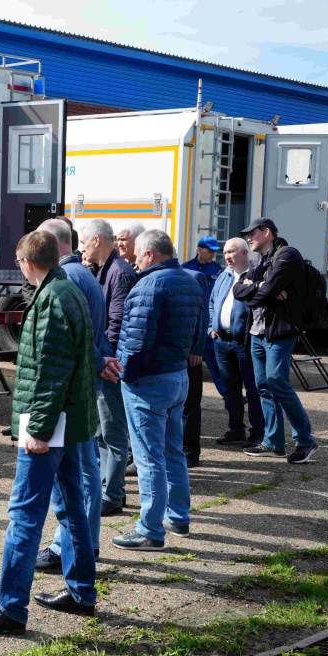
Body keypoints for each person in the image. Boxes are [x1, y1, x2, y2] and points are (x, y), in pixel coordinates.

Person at [0, 230, 98, 636]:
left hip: (50, 425)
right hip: (69, 423)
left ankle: (11, 610)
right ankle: (81, 592)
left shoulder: (54, 298)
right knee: (72, 508)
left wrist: (36, 429)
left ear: (26, 261)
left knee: (24, 516)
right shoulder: (64, 289)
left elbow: (50, 373)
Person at [112, 230, 201, 550]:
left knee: (149, 458)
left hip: (149, 381)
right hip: (178, 376)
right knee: (172, 452)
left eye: (137, 253)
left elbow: (135, 342)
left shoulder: (148, 285)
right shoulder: (190, 280)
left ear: (150, 254)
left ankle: (150, 529)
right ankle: (178, 516)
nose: (133, 258)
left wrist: (125, 376)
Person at [33, 219, 110, 573]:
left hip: (72, 391)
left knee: (75, 476)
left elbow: (66, 346)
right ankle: (83, 544)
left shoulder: (68, 279)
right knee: (84, 469)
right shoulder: (83, 275)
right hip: (82, 384)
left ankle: (71, 546)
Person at [233, 218, 318, 464]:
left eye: (253, 233)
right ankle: (273, 443)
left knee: (276, 381)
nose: (249, 238)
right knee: (263, 387)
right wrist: (259, 287)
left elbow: (262, 291)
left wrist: (258, 289)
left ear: (267, 232)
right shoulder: (261, 261)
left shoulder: (287, 255)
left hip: (279, 333)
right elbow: (240, 291)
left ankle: (306, 440)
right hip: (257, 334)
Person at [79, 218, 136, 516]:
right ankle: (109, 489)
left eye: (84, 242)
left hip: (111, 364)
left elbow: (116, 323)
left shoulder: (119, 272)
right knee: (102, 430)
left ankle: (113, 494)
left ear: (97, 240)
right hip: (106, 361)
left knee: (112, 432)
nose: (83, 248)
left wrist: (105, 362)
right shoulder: (106, 270)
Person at [209, 237, 264, 447]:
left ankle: (258, 432)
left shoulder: (255, 276)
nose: (227, 256)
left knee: (253, 389)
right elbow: (212, 303)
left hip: (244, 343)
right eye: (225, 253)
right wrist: (211, 329)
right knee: (230, 389)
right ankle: (236, 429)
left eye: (231, 252)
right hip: (221, 341)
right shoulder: (223, 276)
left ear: (244, 253)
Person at [182, 235, 227, 403]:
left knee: (217, 365)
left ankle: (227, 395)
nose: (213, 255)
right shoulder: (186, 267)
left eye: (215, 252)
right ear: (199, 249)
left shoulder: (217, 269)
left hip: (209, 324)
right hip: (194, 321)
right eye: (210, 251)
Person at [182, 265, 211, 469]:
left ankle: (190, 452)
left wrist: (197, 348)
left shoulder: (194, 277)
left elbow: (203, 315)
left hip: (189, 354)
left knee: (189, 404)